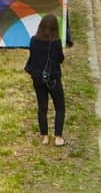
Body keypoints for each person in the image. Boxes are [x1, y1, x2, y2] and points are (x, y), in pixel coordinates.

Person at [23, 12, 65, 146]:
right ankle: (58, 137)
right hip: (53, 79)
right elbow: (60, 59)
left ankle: (44, 137)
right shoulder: (56, 42)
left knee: (42, 107)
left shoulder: (34, 40)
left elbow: (33, 58)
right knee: (60, 107)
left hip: (38, 79)